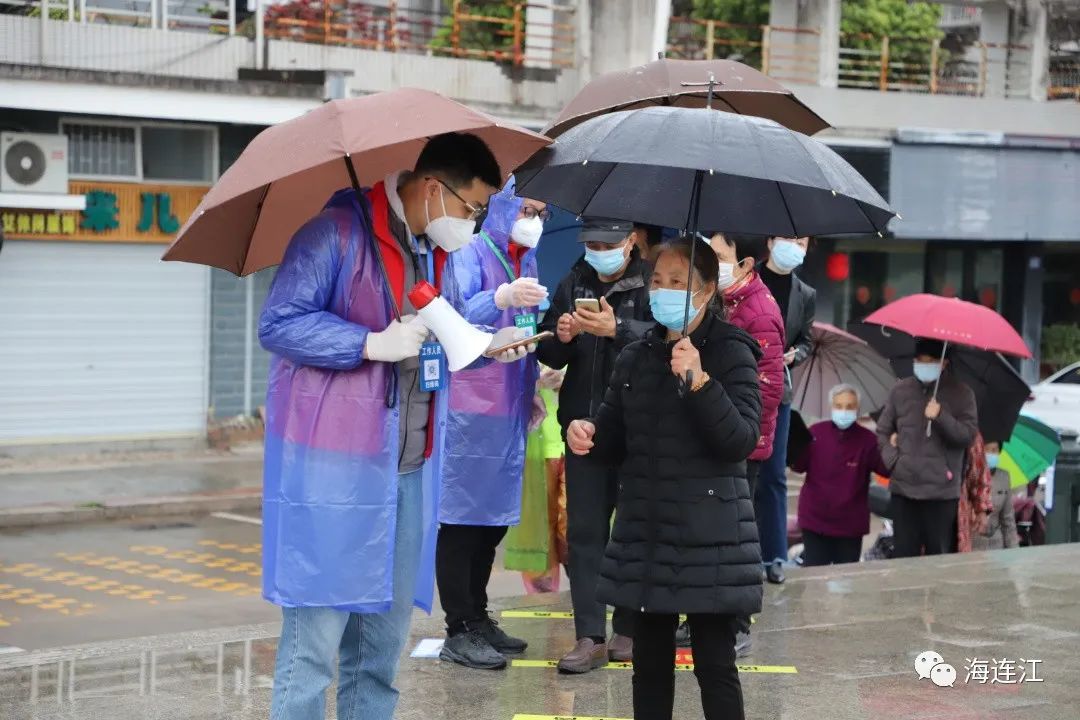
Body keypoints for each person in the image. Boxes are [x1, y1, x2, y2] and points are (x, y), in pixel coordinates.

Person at [259, 133, 531, 720]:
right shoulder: (332, 233)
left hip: (407, 468)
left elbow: (455, 324)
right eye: (473, 208)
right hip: (333, 472)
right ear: (434, 189)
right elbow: (279, 322)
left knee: (381, 653)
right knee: (314, 649)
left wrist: (493, 343)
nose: (475, 222)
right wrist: (368, 342)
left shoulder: (437, 250)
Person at [567, 238, 763, 720]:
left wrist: (700, 382)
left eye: (679, 283)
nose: (664, 291)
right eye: (658, 281)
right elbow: (613, 436)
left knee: (714, 664)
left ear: (707, 290)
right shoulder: (637, 354)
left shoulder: (732, 351)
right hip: (646, 531)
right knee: (648, 665)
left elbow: (739, 440)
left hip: (709, 536)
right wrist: (588, 432)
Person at [434, 179, 549, 669]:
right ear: (501, 205)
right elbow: (455, 313)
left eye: (541, 212)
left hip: (509, 404)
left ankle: (479, 616)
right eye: (526, 208)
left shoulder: (527, 258)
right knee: (462, 519)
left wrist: (539, 377)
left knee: (491, 521)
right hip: (470, 406)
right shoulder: (470, 250)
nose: (533, 220)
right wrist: (499, 296)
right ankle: (457, 627)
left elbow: (526, 326)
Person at [535, 223, 654, 673]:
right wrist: (561, 334)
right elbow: (550, 351)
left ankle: (629, 627)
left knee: (633, 531)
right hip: (582, 429)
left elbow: (667, 340)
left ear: (631, 242)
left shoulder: (652, 282)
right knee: (585, 535)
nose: (599, 253)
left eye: (608, 246)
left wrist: (617, 327)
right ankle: (588, 635)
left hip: (639, 429)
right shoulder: (574, 280)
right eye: (592, 245)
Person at [688, 231, 784, 655]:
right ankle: (706, 618)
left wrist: (734, 429)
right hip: (716, 430)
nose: (712, 261)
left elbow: (766, 390)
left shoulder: (759, 311)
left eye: (719, 255)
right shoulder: (725, 301)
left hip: (742, 441)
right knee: (711, 530)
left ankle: (738, 624)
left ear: (745, 263)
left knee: (737, 537)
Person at [876, 339, 979, 558]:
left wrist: (941, 416)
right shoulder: (900, 391)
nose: (924, 365)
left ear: (944, 363)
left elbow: (967, 436)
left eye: (930, 361)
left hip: (941, 493)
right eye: (919, 361)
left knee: (938, 559)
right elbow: (883, 432)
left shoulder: (962, 394)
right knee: (904, 557)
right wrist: (894, 461)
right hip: (904, 490)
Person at [755, 235, 815, 584]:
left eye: (802, 242)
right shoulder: (751, 279)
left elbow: (807, 340)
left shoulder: (805, 294)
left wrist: (795, 354)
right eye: (790, 239)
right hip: (746, 387)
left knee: (775, 475)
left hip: (781, 392)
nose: (795, 246)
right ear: (771, 241)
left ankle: (775, 556)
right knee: (746, 476)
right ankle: (744, 554)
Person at [792, 384, 890, 566]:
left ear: (857, 409)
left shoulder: (868, 440)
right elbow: (798, 465)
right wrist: (791, 443)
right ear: (831, 407)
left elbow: (885, 468)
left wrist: (890, 441)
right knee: (815, 579)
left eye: (850, 407)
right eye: (839, 406)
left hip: (850, 526)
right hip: (815, 521)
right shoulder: (815, 432)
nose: (844, 411)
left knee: (845, 583)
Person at [970, 441, 1020, 551]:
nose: (990, 454)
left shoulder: (1004, 476)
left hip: (996, 545)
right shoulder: (969, 475)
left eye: (994, 450)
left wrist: (1014, 551)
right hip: (972, 545)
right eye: (986, 449)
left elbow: (1008, 520)